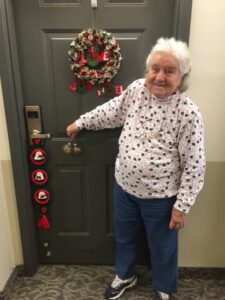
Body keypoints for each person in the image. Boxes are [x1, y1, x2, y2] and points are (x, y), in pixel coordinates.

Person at [66, 37, 206, 300]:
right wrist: (82, 122)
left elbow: (195, 164)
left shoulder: (188, 113)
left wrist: (182, 206)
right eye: (155, 68)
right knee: (125, 237)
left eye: (169, 70)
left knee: (163, 247)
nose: (159, 76)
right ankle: (125, 276)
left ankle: (164, 288)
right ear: (147, 70)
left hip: (161, 198)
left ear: (182, 75)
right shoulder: (136, 90)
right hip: (125, 188)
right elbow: (112, 111)